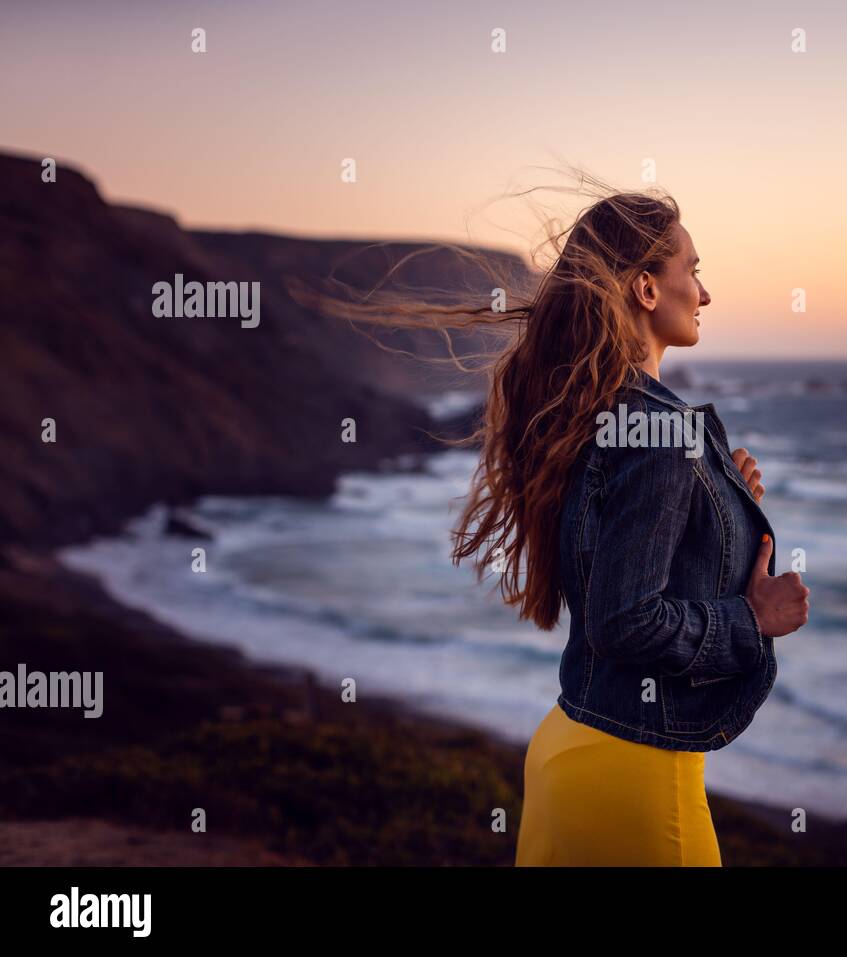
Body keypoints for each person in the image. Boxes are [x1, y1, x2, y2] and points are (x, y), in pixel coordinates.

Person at [293, 174, 811, 865]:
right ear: (646, 289)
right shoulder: (658, 432)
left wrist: (717, 493)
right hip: (640, 777)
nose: (706, 292)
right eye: (693, 269)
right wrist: (755, 620)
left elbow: (620, 553)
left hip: (573, 746)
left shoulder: (598, 420)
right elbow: (624, 618)